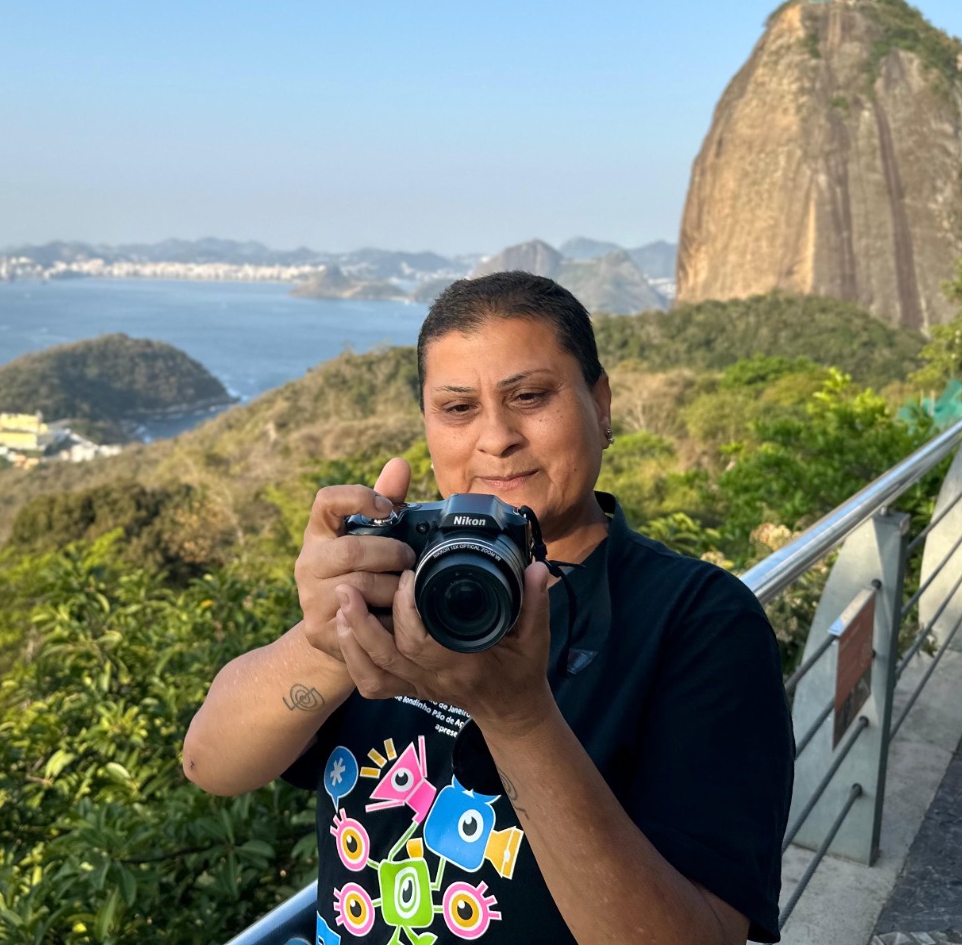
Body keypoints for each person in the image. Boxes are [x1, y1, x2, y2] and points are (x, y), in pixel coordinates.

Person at [183, 273, 795, 944]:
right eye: (457, 409)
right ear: (426, 425)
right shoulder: (395, 581)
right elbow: (212, 764)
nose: (496, 437)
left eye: (530, 397)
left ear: (602, 403)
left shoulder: (697, 621)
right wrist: (323, 639)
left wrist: (520, 719)